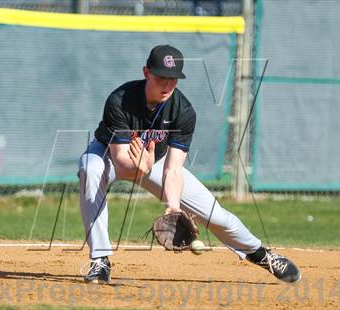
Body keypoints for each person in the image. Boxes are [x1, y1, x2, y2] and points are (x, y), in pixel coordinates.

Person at [77, 44, 300, 284]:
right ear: (146, 72)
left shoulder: (183, 112)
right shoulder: (119, 101)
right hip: (110, 154)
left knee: (217, 216)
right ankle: (100, 260)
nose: (167, 85)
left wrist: (172, 207)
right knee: (90, 169)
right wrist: (142, 167)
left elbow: (173, 169)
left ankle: (262, 255)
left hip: (157, 161)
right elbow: (122, 165)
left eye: (173, 79)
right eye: (162, 77)